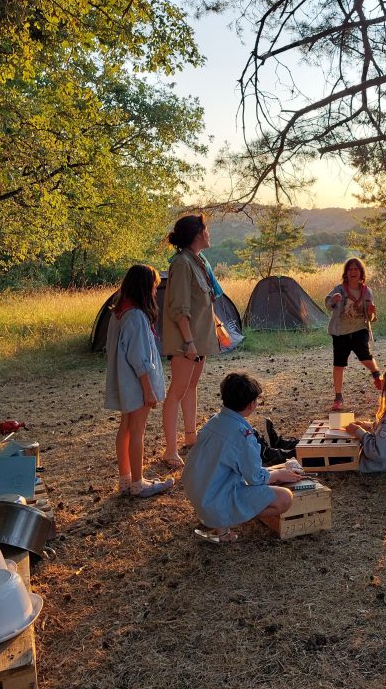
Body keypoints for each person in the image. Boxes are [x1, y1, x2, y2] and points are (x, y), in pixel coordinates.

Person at [182, 372, 303, 543]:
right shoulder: (242, 435)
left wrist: (276, 471)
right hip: (215, 502)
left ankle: (221, 524)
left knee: (263, 476)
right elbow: (254, 478)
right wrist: (278, 474)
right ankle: (226, 519)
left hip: (200, 495)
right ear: (252, 404)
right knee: (285, 498)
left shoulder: (214, 421)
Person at [104, 265, 175, 497]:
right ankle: (138, 483)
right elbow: (139, 358)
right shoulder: (134, 316)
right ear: (144, 288)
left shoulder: (120, 311)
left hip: (127, 383)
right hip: (136, 384)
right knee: (137, 430)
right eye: (154, 287)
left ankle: (125, 479)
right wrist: (148, 390)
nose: (155, 291)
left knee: (126, 428)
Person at [161, 214, 219, 469]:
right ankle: (170, 450)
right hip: (186, 342)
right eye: (206, 229)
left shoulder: (198, 261)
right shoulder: (182, 264)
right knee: (176, 392)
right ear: (197, 233)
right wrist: (189, 342)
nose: (209, 233)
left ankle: (190, 437)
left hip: (197, 340)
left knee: (191, 387)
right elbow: (179, 308)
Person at [324, 258, 381, 411]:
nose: (353, 272)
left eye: (356, 269)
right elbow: (328, 304)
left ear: (361, 272)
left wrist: (371, 313)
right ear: (346, 273)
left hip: (359, 330)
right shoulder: (339, 289)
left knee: (365, 357)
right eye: (350, 269)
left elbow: (371, 318)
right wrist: (334, 300)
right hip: (340, 332)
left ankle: (376, 373)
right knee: (338, 365)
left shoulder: (366, 291)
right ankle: (338, 397)